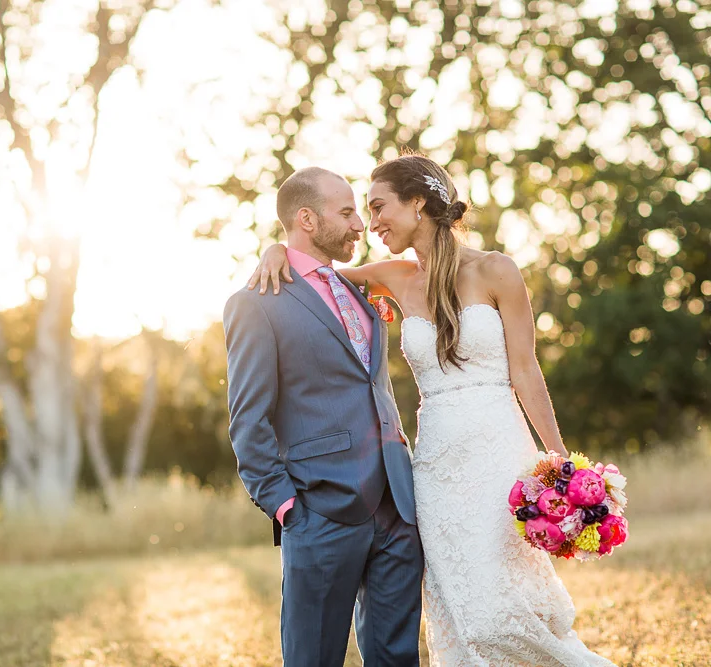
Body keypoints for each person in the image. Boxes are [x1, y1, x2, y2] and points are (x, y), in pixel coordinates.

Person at [248, 153, 617, 666]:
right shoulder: (394, 277)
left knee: (502, 609)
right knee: (458, 614)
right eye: (362, 211)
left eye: (378, 208)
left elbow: (527, 371)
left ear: (418, 203)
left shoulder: (497, 270)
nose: (369, 223)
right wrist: (274, 248)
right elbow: (318, 272)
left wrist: (560, 460)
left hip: (498, 450)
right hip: (435, 467)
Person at [223, 167, 424, 666]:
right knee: (313, 656)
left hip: (397, 508)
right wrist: (284, 505)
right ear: (307, 219)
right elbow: (249, 418)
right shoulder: (256, 304)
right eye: (347, 212)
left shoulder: (359, 288)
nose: (361, 225)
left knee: (397, 657)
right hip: (318, 509)